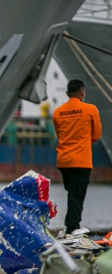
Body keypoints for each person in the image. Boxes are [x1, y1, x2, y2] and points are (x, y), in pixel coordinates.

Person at [52, 79, 102, 234]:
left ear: (67, 93)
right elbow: (96, 135)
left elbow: (59, 135)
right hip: (81, 160)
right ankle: (72, 229)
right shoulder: (91, 109)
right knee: (77, 195)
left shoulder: (57, 112)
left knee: (72, 193)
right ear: (82, 93)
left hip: (64, 161)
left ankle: (71, 226)